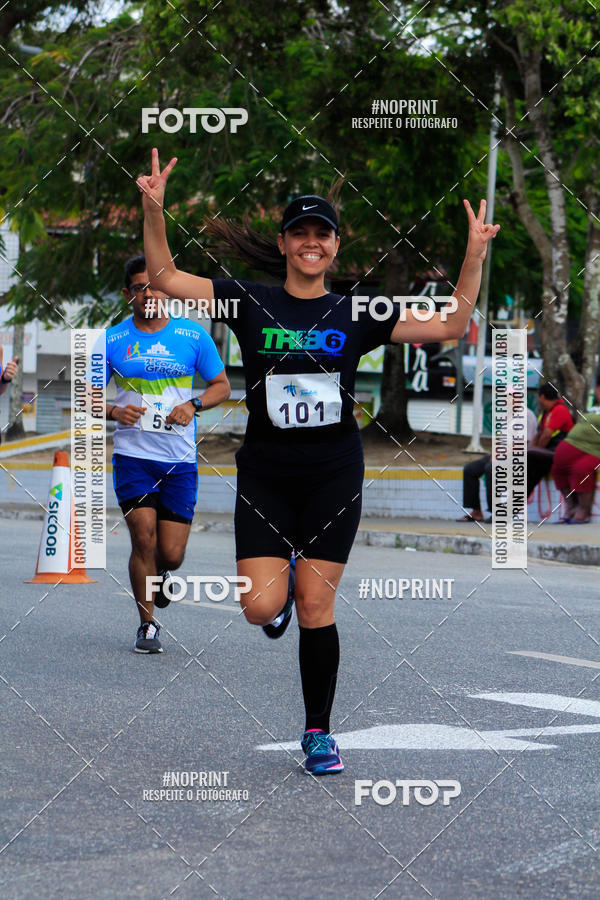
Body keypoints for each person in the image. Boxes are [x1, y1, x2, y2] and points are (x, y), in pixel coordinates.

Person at [137, 148, 499, 774]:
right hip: (266, 474)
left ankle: (318, 733)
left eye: (321, 235)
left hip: (333, 473)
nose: (311, 243)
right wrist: (153, 206)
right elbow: (166, 277)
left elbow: (452, 322)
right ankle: (276, 599)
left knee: (316, 606)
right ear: (283, 244)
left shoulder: (358, 311)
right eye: (300, 233)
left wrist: (473, 254)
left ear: (334, 247)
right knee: (258, 606)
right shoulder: (246, 301)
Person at [102, 255, 230, 653]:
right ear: (128, 295)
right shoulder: (111, 340)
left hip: (179, 461)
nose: (149, 294)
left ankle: (160, 572)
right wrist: (113, 410)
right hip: (133, 457)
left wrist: (194, 404)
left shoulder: (193, 336)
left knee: (171, 555)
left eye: (156, 286)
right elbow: (84, 391)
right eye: (140, 287)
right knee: (143, 537)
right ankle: (147, 626)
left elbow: (221, 385)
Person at [458, 402, 537, 523]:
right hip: (503, 453)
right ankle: (476, 512)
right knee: (470, 469)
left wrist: (501, 455)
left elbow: (522, 444)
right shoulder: (508, 415)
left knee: (491, 468)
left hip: (518, 456)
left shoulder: (526, 415)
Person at [527, 382, 574, 498]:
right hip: (548, 452)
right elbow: (538, 435)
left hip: (559, 452)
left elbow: (546, 436)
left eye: (538, 397)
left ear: (542, 396)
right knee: (530, 471)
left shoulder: (560, 410)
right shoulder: (546, 412)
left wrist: (534, 451)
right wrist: (529, 450)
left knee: (531, 460)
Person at [552, 412, 600, 523]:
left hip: (591, 451)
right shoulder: (595, 409)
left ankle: (583, 510)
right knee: (557, 470)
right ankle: (571, 508)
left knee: (581, 469)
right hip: (570, 451)